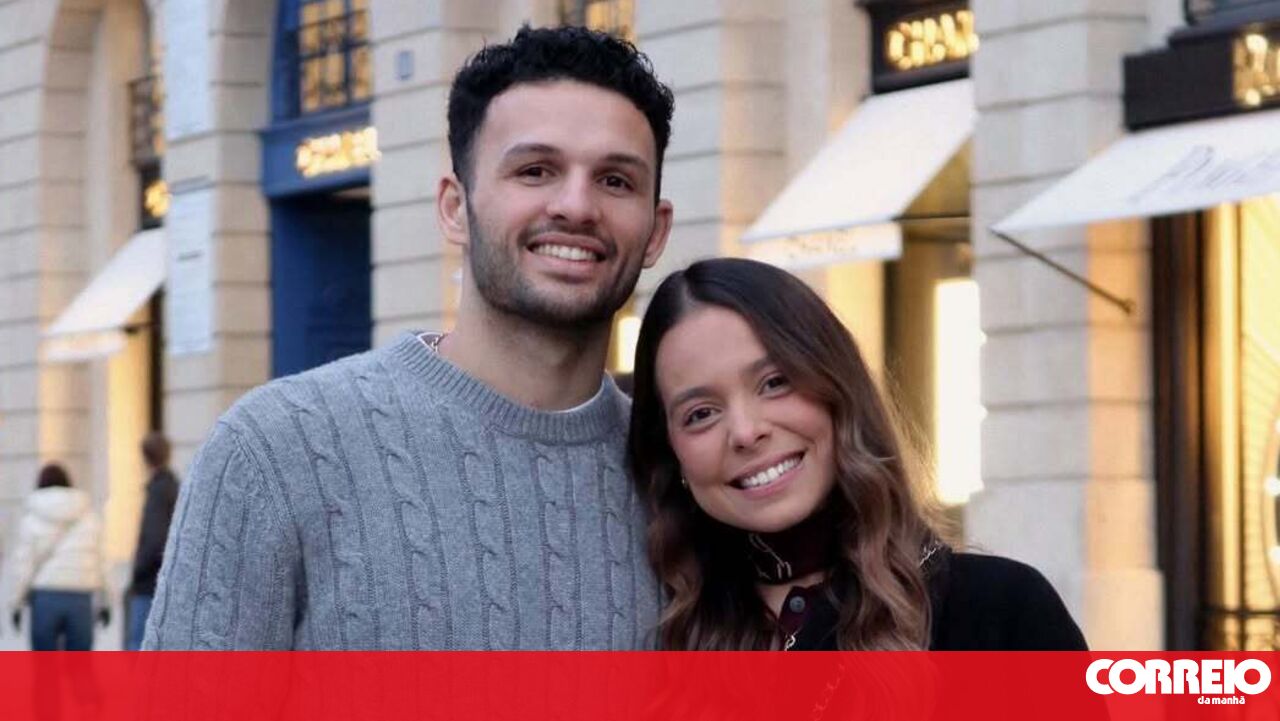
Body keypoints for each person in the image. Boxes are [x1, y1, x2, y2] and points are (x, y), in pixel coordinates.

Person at [145, 25, 674, 650]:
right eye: (535, 170)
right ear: (454, 207)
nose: (577, 206)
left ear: (656, 231)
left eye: (616, 181)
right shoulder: (273, 451)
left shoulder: (680, 480)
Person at [627, 258, 1088, 650]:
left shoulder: (1001, 611)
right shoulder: (654, 638)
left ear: (838, 391)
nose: (745, 432)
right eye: (701, 414)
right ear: (670, 453)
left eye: (775, 382)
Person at [3, 463, 111, 650]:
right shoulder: (90, 519)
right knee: (79, 665)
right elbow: (102, 562)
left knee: (45, 665)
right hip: (80, 598)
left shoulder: (31, 520)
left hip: (45, 599)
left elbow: (23, 566)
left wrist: (16, 604)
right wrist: (106, 601)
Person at [124, 431, 179, 650]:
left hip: (148, 582)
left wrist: (137, 571)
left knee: (138, 645)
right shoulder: (174, 486)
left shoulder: (157, 491)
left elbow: (154, 538)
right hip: (166, 579)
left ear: (145, 458)